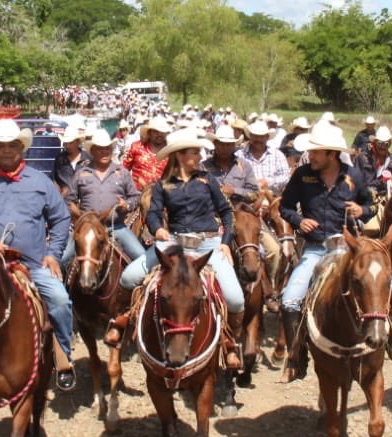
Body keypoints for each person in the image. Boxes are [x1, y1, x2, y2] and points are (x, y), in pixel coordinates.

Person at [0, 118, 77, 392]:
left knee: (58, 300)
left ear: (22, 148)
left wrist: (54, 254)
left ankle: (63, 355)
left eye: (12, 146)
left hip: (31, 264)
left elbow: (60, 218)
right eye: (0, 146)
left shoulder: (40, 182)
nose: (6, 151)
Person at [117, 128, 243, 368]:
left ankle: (229, 341)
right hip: (173, 243)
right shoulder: (162, 185)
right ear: (180, 156)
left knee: (236, 299)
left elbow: (227, 213)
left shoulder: (208, 180)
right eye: (194, 152)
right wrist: (158, 230)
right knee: (129, 276)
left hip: (208, 244)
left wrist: (225, 244)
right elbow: (153, 214)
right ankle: (125, 319)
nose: (199, 156)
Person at [275, 122, 375, 381]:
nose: (311, 156)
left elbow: (370, 205)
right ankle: (296, 356)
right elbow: (284, 207)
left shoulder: (354, 175)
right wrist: (299, 221)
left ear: (331, 153)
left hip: (351, 249)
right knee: (289, 299)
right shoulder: (302, 175)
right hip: (317, 249)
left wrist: (361, 211)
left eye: (316, 152)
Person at [207, 124, 282, 311]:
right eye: (222, 144)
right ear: (215, 144)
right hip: (216, 217)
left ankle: (268, 289)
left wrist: (235, 190)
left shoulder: (244, 166)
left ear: (234, 145)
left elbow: (255, 194)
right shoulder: (204, 167)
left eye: (229, 144)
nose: (225, 148)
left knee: (273, 249)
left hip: (244, 215)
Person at [62, 128, 145, 266]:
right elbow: (68, 201)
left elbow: (135, 197)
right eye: (100, 149)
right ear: (92, 151)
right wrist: (77, 214)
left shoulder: (122, 172)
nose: (105, 151)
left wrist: (127, 206)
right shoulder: (81, 173)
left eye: (107, 148)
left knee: (142, 258)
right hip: (86, 228)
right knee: (62, 258)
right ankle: (63, 286)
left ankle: (135, 287)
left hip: (116, 227)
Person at [237, 120, 290, 194]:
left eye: (261, 136)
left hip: (272, 199)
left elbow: (286, 177)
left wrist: (268, 182)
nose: (258, 139)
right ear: (250, 136)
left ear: (267, 137)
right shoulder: (239, 155)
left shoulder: (277, 155)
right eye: (255, 136)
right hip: (246, 198)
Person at [122, 115, 171, 192]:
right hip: (136, 194)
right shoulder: (136, 147)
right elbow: (123, 169)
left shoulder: (170, 152)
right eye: (156, 131)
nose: (159, 135)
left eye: (162, 132)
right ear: (149, 133)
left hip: (160, 195)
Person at [358, 125, 392, 195]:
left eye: (386, 144)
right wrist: (385, 180)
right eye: (380, 143)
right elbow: (369, 182)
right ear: (375, 143)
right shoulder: (366, 158)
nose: (383, 147)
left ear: (390, 144)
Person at [53, 124, 89, 197]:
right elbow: (55, 180)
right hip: (65, 200)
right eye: (65, 143)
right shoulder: (60, 159)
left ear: (78, 142)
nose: (67, 146)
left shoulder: (88, 158)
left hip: (84, 200)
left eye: (71, 143)